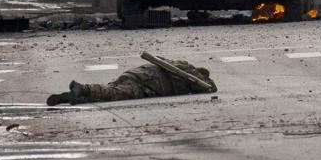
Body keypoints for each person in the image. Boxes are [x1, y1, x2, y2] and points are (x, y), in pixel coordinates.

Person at [47, 57, 216, 106]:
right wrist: (205, 80)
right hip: (148, 84)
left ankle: (75, 97)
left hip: (135, 75)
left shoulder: (178, 63)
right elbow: (211, 88)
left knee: (111, 90)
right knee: (114, 93)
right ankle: (83, 89)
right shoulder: (191, 74)